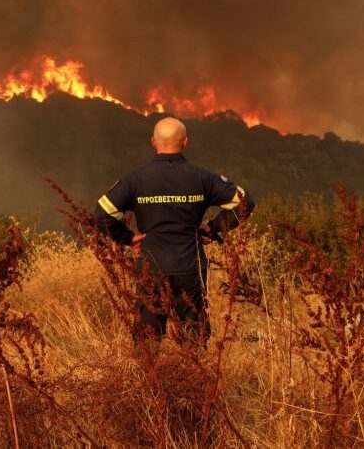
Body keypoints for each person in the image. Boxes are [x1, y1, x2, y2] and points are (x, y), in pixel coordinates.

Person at [94, 117, 255, 348]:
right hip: (190, 269)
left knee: (147, 342)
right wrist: (213, 228)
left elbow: (102, 213)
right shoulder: (203, 178)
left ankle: (149, 383)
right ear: (185, 142)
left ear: (153, 141)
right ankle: (191, 383)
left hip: (151, 267)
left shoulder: (136, 180)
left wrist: (128, 238)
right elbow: (245, 202)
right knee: (193, 338)